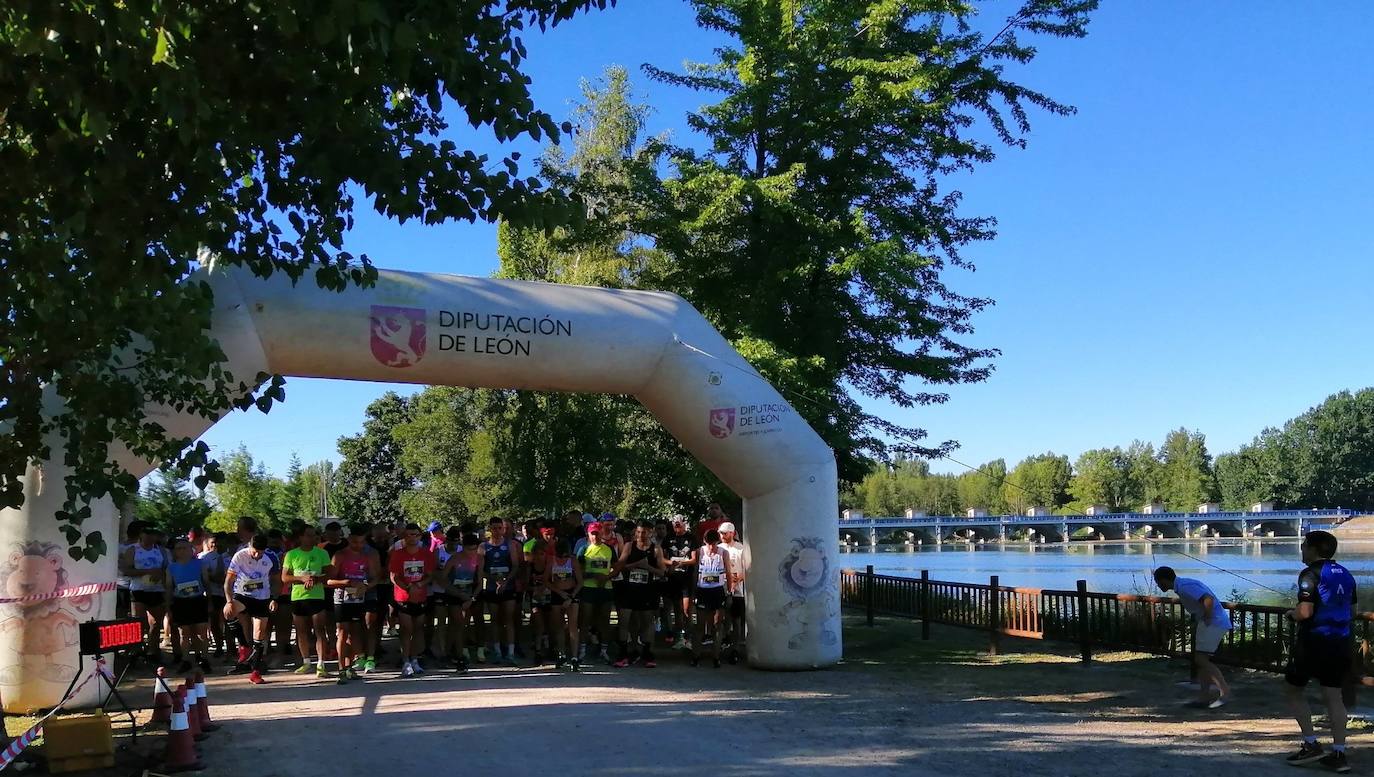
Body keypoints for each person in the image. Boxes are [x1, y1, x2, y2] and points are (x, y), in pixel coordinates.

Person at [1283, 530, 1357, 773]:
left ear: (1314, 549)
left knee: (1293, 690)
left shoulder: (1310, 574)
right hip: (1341, 643)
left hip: (1314, 643)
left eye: (1304, 545)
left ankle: (1311, 744)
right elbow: (1352, 612)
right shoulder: (1346, 575)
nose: (1302, 550)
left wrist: (1292, 614)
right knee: (1334, 697)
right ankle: (1339, 753)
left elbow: (1305, 612)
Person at [1153, 566, 1230, 708]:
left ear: (1164, 580)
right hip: (1211, 622)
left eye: (1158, 582)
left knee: (1201, 659)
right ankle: (1204, 697)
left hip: (1213, 623)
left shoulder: (1184, 587)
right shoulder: (1183, 585)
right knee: (1201, 661)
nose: (1158, 585)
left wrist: (1207, 618)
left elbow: (1208, 599)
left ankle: (1224, 691)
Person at [223, 533, 280, 684]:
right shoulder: (239, 556)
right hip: (243, 594)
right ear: (249, 546)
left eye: (260, 552)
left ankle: (255, 671)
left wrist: (274, 598)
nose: (256, 555)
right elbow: (228, 582)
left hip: (262, 597)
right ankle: (243, 646)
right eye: (254, 551)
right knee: (228, 612)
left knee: (259, 634)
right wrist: (229, 601)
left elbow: (276, 581)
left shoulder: (270, 558)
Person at [327, 526, 379, 685]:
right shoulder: (340, 555)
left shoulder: (368, 556)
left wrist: (367, 586)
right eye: (355, 541)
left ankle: (350, 667)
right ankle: (341, 669)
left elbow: (375, 577)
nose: (358, 545)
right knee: (342, 632)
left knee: (356, 632)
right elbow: (328, 581)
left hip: (358, 598)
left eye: (362, 542)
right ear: (349, 539)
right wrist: (345, 582)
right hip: (342, 598)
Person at [612, 520, 665, 668]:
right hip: (629, 590)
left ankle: (647, 654)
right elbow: (620, 566)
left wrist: (647, 567)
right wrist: (635, 565)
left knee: (646, 623)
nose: (641, 535)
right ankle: (624, 653)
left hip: (647, 591)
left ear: (651, 533)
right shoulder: (629, 546)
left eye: (645, 532)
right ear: (635, 532)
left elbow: (662, 572)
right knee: (625, 621)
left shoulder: (656, 549)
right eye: (639, 532)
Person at [283, 525, 333, 678]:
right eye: (309, 535)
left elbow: (329, 573)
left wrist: (316, 579)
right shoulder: (291, 554)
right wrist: (301, 578)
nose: (312, 538)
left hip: (317, 596)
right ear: (301, 537)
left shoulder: (322, 553)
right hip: (298, 597)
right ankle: (306, 662)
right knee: (301, 631)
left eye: (314, 535)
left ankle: (321, 664)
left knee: (319, 630)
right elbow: (285, 578)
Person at [389, 523, 437, 676]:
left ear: (419, 536)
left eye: (415, 534)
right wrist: (408, 587)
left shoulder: (426, 554)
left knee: (418, 629)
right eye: (409, 534)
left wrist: (420, 584)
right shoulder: (398, 554)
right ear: (404, 536)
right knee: (406, 629)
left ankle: (415, 659)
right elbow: (393, 577)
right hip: (403, 597)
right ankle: (405, 661)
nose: (413, 538)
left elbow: (430, 575)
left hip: (421, 596)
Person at [120, 522, 168, 663]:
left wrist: (160, 575)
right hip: (138, 589)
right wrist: (145, 572)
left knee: (155, 623)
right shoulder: (132, 550)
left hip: (157, 590)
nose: (150, 538)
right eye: (147, 535)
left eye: (152, 535)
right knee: (138, 622)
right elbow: (126, 571)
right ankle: (135, 650)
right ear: (141, 535)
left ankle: (153, 651)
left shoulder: (160, 550)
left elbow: (166, 569)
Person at [479, 517, 523, 665]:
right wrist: (493, 579)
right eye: (494, 528)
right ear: (490, 529)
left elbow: (516, 566)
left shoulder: (510, 545)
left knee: (509, 620)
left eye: (500, 528)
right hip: (492, 588)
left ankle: (510, 653)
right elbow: (481, 570)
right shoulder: (483, 547)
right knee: (494, 620)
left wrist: (506, 580)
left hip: (508, 587)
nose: (497, 531)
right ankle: (497, 652)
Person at [166, 538, 211, 673]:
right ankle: (185, 660)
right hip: (180, 602)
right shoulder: (171, 567)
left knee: (202, 632)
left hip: (198, 600)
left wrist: (210, 602)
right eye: (179, 548)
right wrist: (168, 607)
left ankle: (204, 658)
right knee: (184, 633)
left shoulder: (199, 564)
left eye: (185, 548)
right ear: (175, 552)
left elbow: (207, 584)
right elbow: (169, 587)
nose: (182, 551)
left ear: (190, 549)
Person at [691, 529, 732, 668]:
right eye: (709, 544)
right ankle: (696, 656)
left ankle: (716, 656)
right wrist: (693, 592)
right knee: (700, 626)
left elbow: (729, 573)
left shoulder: (723, 553)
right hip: (702, 591)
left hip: (718, 591)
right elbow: (695, 571)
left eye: (713, 544)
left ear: (717, 542)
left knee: (717, 625)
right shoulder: (699, 551)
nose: (711, 547)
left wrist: (729, 592)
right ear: (704, 542)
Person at [443, 531, 483, 671]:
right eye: (468, 549)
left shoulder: (479, 559)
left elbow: (479, 582)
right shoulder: (455, 558)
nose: (471, 552)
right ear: (463, 547)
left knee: (457, 626)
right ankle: (459, 657)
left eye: (474, 549)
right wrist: (459, 594)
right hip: (454, 594)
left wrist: (471, 598)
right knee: (458, 624)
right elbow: (443, 579)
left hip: (470, 594)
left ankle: (448, 653)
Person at [577, 521, 615, 664]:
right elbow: (578, 570)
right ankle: (582, 651)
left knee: (604, 620)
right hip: (588, 588)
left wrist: (607, 577)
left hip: (605, 589)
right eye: (592, 534)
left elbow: (617, 567)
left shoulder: (609, 549)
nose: (595, 536)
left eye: (597, 533)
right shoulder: (583, 549)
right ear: (588, 534)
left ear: (601, 533)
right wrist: (593, 575)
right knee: (585, 619)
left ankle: (604, 650)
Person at [547, 539, 583, 671]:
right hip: (557, 594)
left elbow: (580, 582)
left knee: (573, 626)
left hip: (571, 594)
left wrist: (571, 597)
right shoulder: (551, 561)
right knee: (559, 626)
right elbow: (546, 580)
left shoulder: (573, 561)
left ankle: (574, 657)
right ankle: (561, 654)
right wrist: (559, 592)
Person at [661, 516, 697, 650]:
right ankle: (679, 637)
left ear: (684, 524)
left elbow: (694, 559)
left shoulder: (692, 538)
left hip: (687, 578)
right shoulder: (668, 538)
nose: (677, 527)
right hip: (673, 578)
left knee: (687, 609)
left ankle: (689, 637)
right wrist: (672, 563)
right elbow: (663, 558)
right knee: (677, 609)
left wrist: (682, 562)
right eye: (675, 525)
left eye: (679, 524)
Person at [426, 526, 459, 662]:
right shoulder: (439, 551)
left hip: (455, 590)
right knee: (440, 621)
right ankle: (441, 650)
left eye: (456, 543)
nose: (453, 545)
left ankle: (449, 648)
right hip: (439, 590)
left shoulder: (461, 551)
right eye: (451, 542)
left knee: (454, 621)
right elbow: (433, 571)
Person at [719, 521, 747, 665]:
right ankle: (723, 642)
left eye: (725, 533)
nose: (722, 536)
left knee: (736, 619)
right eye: (720, 533)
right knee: (723, 618)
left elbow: (747, 568)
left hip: (738, 590)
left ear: (732, 533)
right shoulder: (718, 548)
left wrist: (737, 580)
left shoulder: (741, 548)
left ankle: (735, 648)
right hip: (721, 587)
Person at [200, 534, 229, 657]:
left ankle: (231, 647)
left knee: (229, 621)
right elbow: (205, 576)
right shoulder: (205, 558)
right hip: (213, 593)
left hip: (228, 594)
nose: (216, 545)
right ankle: (218, 646)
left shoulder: (230, 557)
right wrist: (214, 577)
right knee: (214, 621)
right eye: (213, 542)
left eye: (218, 542)